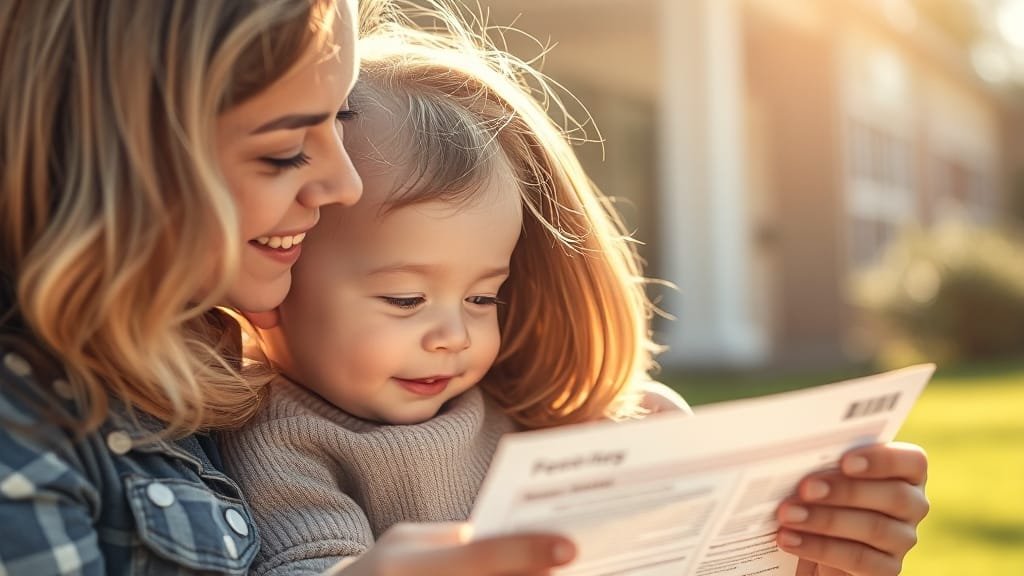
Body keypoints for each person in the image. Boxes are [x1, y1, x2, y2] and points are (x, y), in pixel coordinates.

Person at [221, 14, 930, 576]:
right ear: (280, 280)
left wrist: (803, 551)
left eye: (482, 297)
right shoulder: (286, 439)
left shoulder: (539, 417)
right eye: (406, 300)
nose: (453, 336)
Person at [0, 1, 580, 574]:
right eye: (284, 151)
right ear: (118, 152)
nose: (346, 184)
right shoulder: (31, 429)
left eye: (340, 118)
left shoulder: (191, 382)